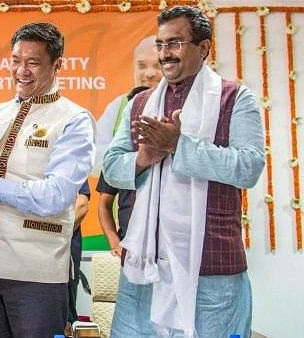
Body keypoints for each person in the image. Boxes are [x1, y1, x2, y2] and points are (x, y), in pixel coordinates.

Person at [103, 6, 265, 337]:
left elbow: (249, 166)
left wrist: (180, 145)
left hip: (212, 269)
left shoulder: (234, 98)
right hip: (144, 268)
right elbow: (111, 164)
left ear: (203, 48)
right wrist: (144, 158)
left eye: (175, 43)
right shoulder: (140, 103)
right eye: (160, 45)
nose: (165, 54)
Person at [0, 23, 95, 337]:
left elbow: (55, 196)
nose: (21, 71)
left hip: (38, 275)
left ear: (58, 65)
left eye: (33, 63)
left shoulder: (74, 120)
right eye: (15, 60)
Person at [94, 35, 162, 173]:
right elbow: (93, 156)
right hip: (128, 191)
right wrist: (138, 160)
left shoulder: (185, 104)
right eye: (142, 66)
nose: (149, 73)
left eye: (158, 65)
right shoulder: (119, 105)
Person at [96, 86, 150, 257]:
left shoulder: (170, 150)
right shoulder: (116, 157)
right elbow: (104, 204)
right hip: (129, 246)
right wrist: (115, 243)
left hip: (167, 247)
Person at [66, 180, 90, 334]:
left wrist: (51, 234)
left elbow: (82, 205)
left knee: (64, 315)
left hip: (63, 251)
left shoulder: (70, 159)